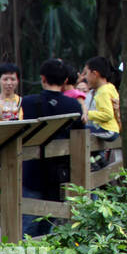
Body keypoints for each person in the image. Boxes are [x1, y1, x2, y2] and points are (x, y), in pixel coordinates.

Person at [19, 59, 84, 237]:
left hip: (33, 172)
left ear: (42, 78)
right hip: (59, 174)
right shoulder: (73, 106)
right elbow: (80, 135)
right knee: (51, 227)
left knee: (28, 228)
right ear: (65, 82)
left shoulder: (28, 103)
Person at [82, 56, 122, 170]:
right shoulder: (109, 87)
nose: (85, 77)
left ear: (95, 74)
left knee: (81, 131)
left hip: (108, 130)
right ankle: (100, 159)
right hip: (110, 129)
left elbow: (107, 115)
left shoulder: (103, 91)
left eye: (86, 73)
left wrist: (87, 114)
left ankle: (94, 162)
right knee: (87, 131)